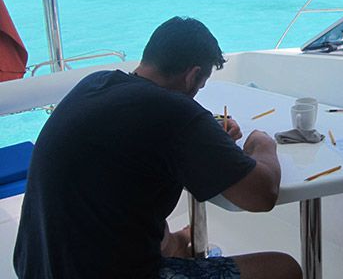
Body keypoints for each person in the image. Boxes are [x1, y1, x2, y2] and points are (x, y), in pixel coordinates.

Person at [14, 17, 302, 279]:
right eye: (200, 85)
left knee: (145, 216)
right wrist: (261, 142)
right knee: (284, 268)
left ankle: (175, 244)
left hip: (36, 267)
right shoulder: (175, 113)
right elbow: (262, 195)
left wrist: (209, 144)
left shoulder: (96, 84)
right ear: (193, 76)